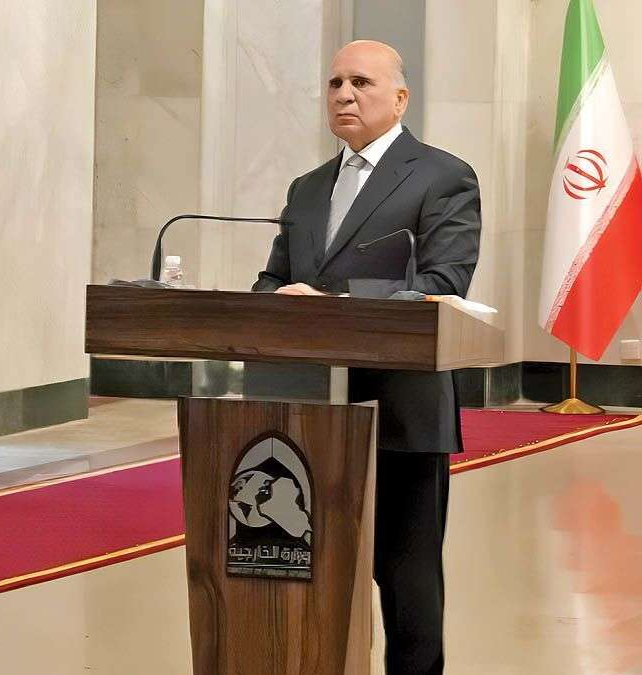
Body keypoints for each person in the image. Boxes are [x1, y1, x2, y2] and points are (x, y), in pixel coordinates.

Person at [253, 40, 481, 674]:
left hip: (402, 411)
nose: (344, 95)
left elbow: (444, 282)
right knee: (312, 573)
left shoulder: (443, 176)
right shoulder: (306, 189)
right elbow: (273, 281)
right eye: (334, 84)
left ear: (400, 98)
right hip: (307, 416)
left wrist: (330, 302)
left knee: (407, 583)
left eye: (361, 82)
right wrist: (272, 300)